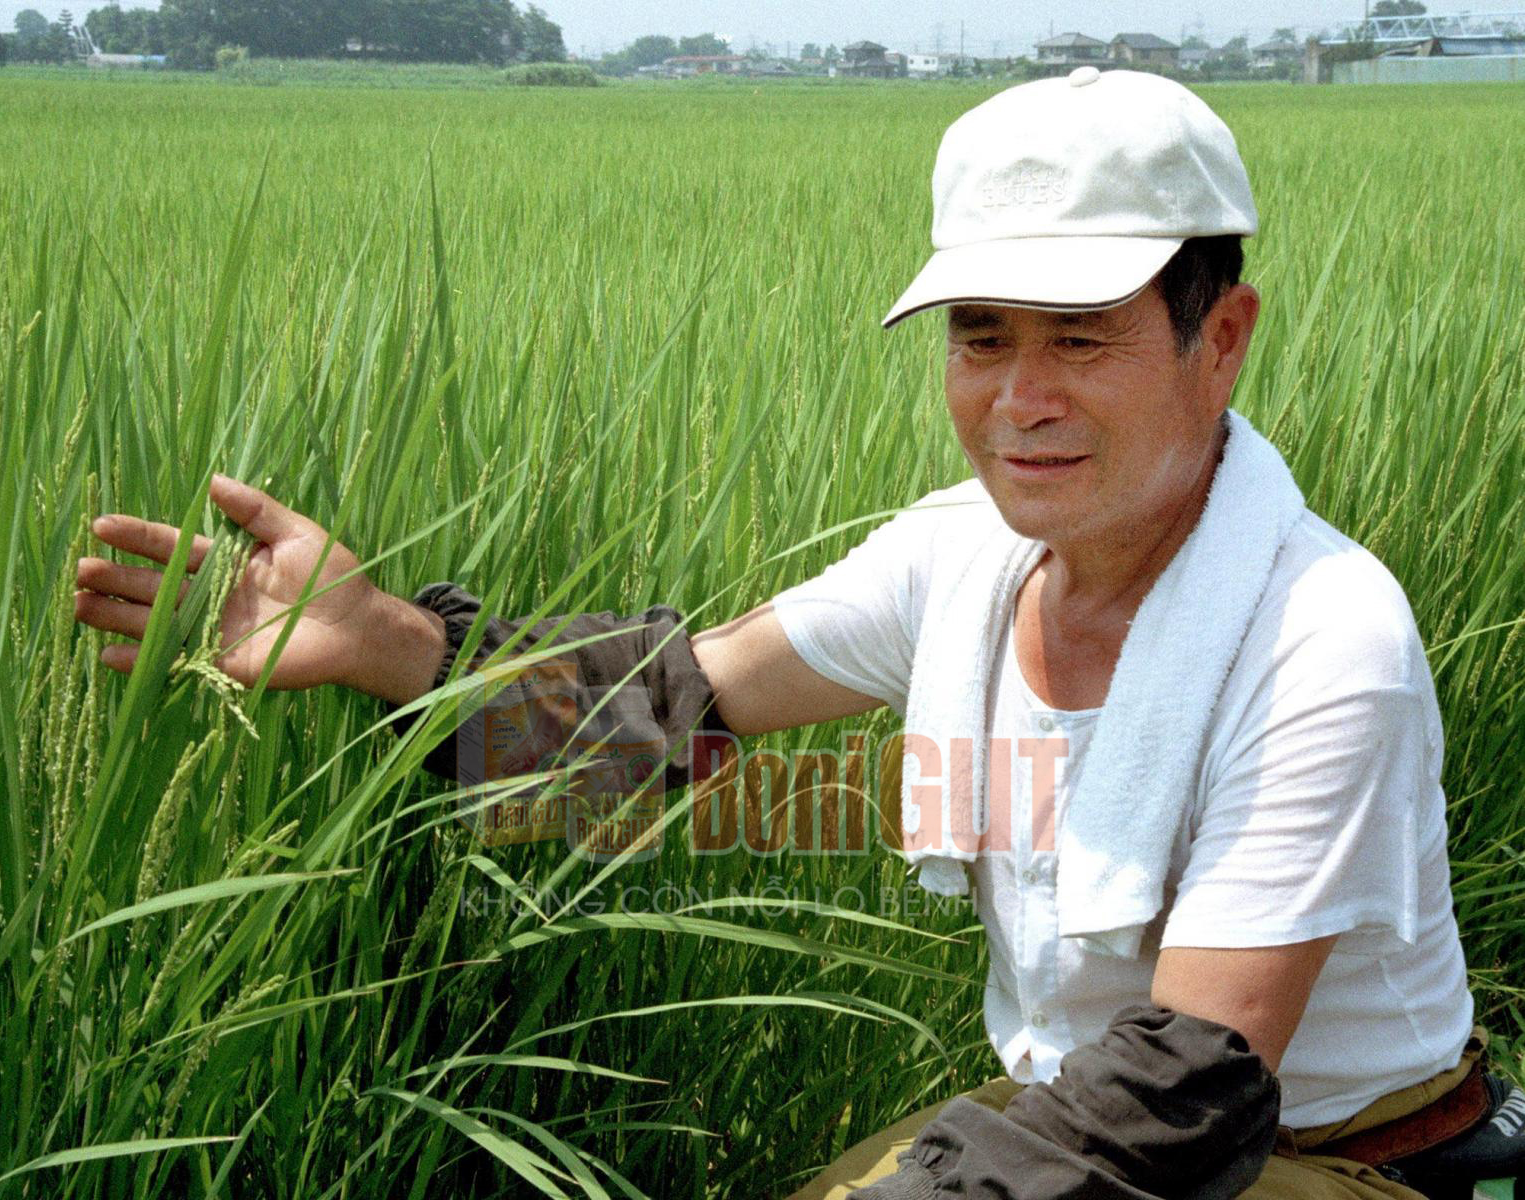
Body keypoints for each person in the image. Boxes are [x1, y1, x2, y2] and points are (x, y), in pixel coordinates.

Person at [74, 70, 1497, 1200]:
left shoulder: (1321, 637)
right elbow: (663, 713)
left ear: (1222, 335)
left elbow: (1186, 1091)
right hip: (1071, 1114)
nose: (1020, 399)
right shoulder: (964, 557)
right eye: (982, 336)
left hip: (1311, 1158)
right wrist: (378, 635)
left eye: (1080, 336)